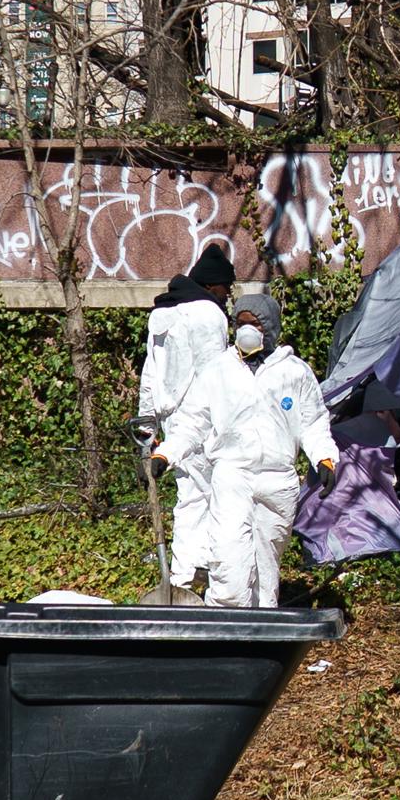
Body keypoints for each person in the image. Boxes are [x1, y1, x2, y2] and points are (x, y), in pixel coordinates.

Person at [150, 292, 338, 608]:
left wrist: (324, 458)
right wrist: (166, 453)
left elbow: (313, 422)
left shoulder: (294, 372)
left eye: (254, 323)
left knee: (267, 565)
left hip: (278, 480)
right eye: (240, 323)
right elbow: (194, 421)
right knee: (227, 559)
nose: (246, 330)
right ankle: (223, 627)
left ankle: (261, 630)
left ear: (271, 328)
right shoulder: (218, 370)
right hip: (231, 475)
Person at [137, 243, 235, 593]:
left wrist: (147, 427)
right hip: (200, 421)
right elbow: (215, 374)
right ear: (212, 285)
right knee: (213, 495)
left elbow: (150, 374)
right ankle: (206, 570)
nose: (229, 294)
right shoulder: (209, 316)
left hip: (171, 421)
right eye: (226, 287)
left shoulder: (163, 315)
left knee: (188, 496)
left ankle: (181, 575)